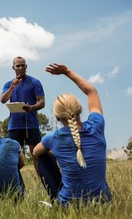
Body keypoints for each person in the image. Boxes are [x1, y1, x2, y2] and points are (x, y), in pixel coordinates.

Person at [33, 63, 112, 206]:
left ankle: (55, 195)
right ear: (80, 109)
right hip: (102, 202)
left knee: (43, 156)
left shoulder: (52, 138)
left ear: (57, 117)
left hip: (68, 205)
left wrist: (57, 153)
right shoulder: (97, 125)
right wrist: (67, 71)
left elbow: (36, 152)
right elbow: (92, 92)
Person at [0, 56, 45, 173]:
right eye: (18, 66)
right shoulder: (8, 84)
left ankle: (43, 182)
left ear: (26, 66)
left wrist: (32, 108)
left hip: (31, 124)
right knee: (13, 157)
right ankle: (17, 184)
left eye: (23, 65)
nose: (20, 68)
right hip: (14, 125)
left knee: (36, 154)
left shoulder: (35, 82)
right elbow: (3, 100)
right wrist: (13, 86)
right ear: (13, 68)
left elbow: (41, 102)